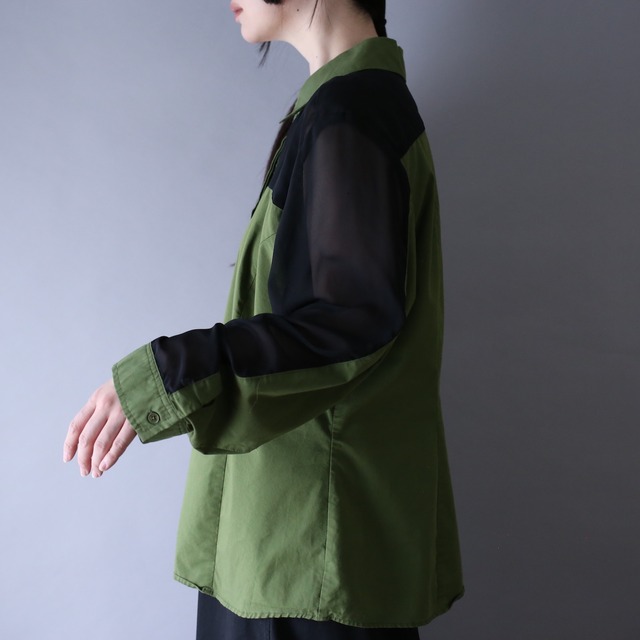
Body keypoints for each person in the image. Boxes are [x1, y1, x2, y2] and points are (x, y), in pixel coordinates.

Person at [63, 1, 464, 638]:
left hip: (305, 553)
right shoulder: (347, 107)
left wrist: (170, 372)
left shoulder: (351, 113)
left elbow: (345, 320)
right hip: (306, 541)